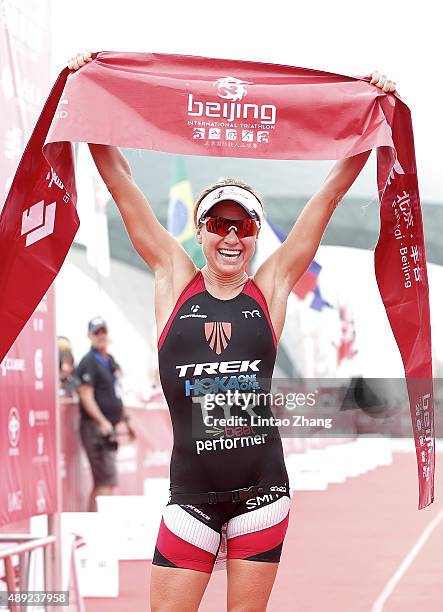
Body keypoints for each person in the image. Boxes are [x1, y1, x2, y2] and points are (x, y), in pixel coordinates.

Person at [69, 51, 396, 611]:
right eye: (218, 224)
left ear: (254, 234)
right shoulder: (175, 280)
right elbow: (121, 183)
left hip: (262, 495)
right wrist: (90, 95)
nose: (230, 236)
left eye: (242, 225)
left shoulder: (269, 289)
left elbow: (325, 200)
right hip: (191, 497)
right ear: (200, 230)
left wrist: (371, 116)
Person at [76, 316, 136, 512]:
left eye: (103, 331)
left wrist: (127, 419)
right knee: (105, 480)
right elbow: (85, 395)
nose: (101, 335)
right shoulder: (88, 362)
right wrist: (101, 421)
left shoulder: (110, 361)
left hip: (107, 427)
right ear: (89, 335)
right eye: (96, 332)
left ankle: (94, 528)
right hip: (96, 428)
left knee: (105, 480)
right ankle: (95, 528)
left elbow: (117, 393)